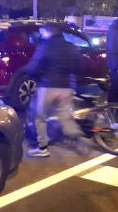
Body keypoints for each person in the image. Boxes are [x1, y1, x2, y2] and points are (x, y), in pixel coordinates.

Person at [26, 22, 84, 157]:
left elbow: (33, 68)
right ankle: (76, 135)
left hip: (48, 86)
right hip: (67, 87)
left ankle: (42, 148)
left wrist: (35, 76)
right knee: (64, 116)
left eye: (43, 32)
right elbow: (79, 67)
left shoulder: (45, 46)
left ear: (48, 32)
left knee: (40, 116)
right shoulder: (72, 47)